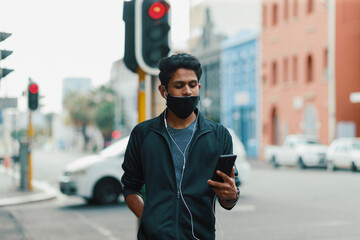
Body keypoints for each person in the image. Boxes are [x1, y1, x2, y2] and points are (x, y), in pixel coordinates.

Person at [121, 53, 240, 240]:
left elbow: (228, 197)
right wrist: (149, 220)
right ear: (163, 91)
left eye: (192, 85)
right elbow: (130, 187)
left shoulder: (219, 135)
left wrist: (232, 195)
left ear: (198, 87)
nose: (187, 91)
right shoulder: (143, 134)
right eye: (179, 85)